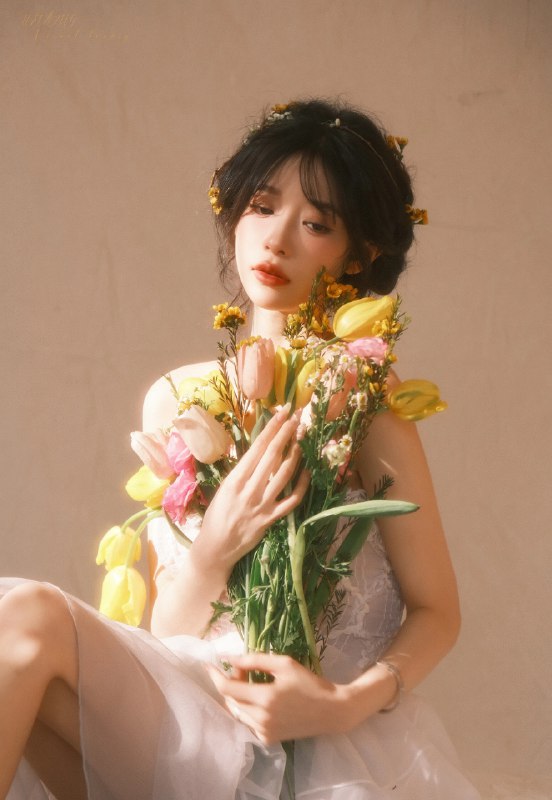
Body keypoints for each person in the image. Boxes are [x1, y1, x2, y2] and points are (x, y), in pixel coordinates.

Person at [0, 99, 481, 799]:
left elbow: (439, 611)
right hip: (188, 719)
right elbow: (170, 627)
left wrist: (341, 703)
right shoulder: (178, 399)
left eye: (316, 223)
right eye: (261, 206)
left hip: (317, 737)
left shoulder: (364, 402)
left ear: (359, 255)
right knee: (20, 622)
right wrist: (213, 547)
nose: (276, 239)